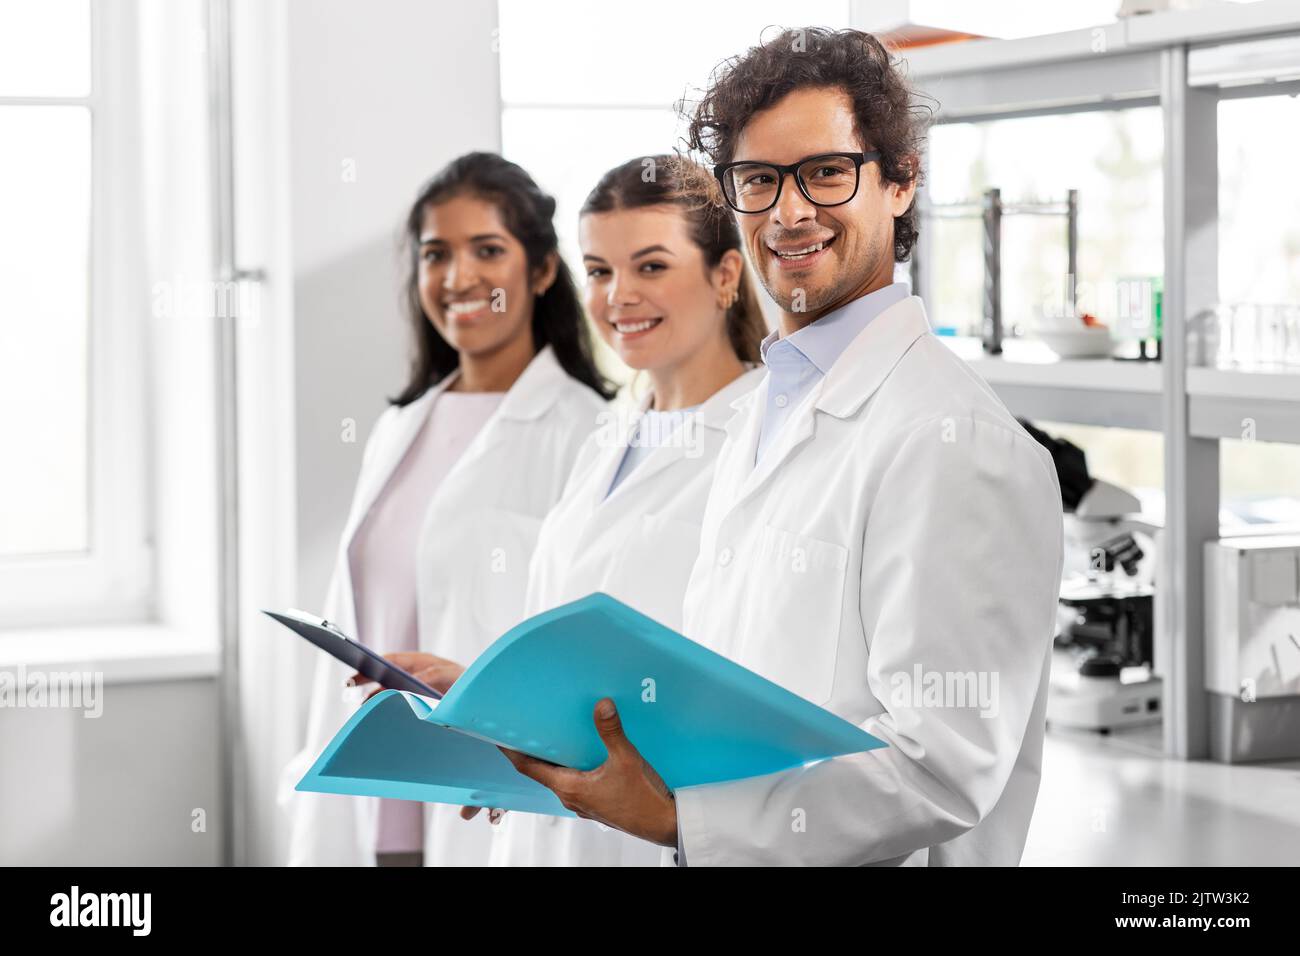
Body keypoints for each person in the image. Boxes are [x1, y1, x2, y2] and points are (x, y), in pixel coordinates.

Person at [496, 28, 1065, 867]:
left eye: (827, 173)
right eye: (758, 181)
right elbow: (731, 697)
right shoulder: (771, 404)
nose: (790, 212)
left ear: (901, 181)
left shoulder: (954, 441)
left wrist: (685, 820)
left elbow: (941, 765)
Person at [279, 152, 611, 867]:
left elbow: (583, 647)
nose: (458, 278)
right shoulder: (400, 426)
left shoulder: (586, 431)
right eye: (436, 255)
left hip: (485, 800)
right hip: (374, 796)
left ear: (543, 270)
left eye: (487, 250)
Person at [482, 154, 768, 865]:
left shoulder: (768, 442)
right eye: (601, 271)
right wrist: (484, 706)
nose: (618, 297)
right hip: (549, 823)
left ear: (725, 275)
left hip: (659, 831)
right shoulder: (611, 430)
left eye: (650, 267)